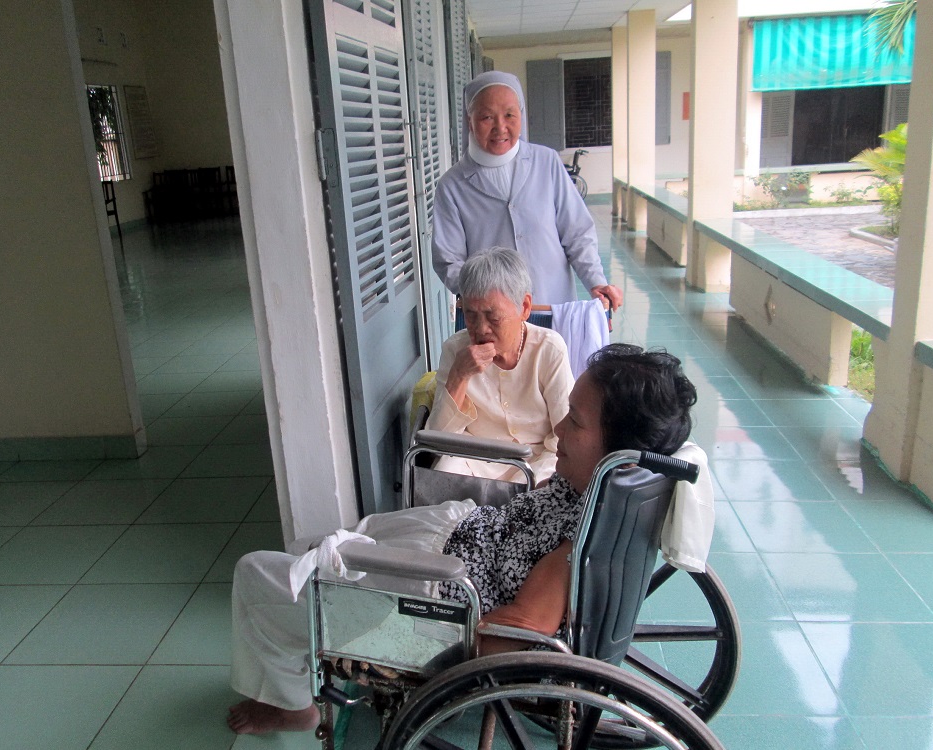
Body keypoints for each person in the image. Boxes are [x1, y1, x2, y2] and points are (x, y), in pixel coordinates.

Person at [226, 343, 697, 736]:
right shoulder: (597, 490)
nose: (558, 429)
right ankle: (290, 648)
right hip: (455, 534)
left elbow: (510, 636)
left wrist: (415, 641)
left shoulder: (574, 552)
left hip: (437, 588)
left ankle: (294, 707)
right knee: (313, 548)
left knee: (257, 572)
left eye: (574, 421)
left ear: (620, 456)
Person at [432, 70, 622, 311]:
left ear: (521, 116)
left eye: (509, 115)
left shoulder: (547, 162)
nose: (500, 127)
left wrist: (596, 282)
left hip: (554, 307)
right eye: (487, 117)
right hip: (493, 319)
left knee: (555, 350)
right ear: (470, 121)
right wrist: (487, 299)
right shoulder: (452, 185)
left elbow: (577, 233)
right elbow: (449, 260)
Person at [429, 247, 573, 485]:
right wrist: (459, 375)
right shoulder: (455, 350)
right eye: (471, 315)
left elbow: (565, 434)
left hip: (537, 461)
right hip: (476, 460)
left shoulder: (549, 349)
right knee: (443, 472)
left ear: (524, 307)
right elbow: (438, 442)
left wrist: (529, 476)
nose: (481, 328)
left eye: (493, 317)